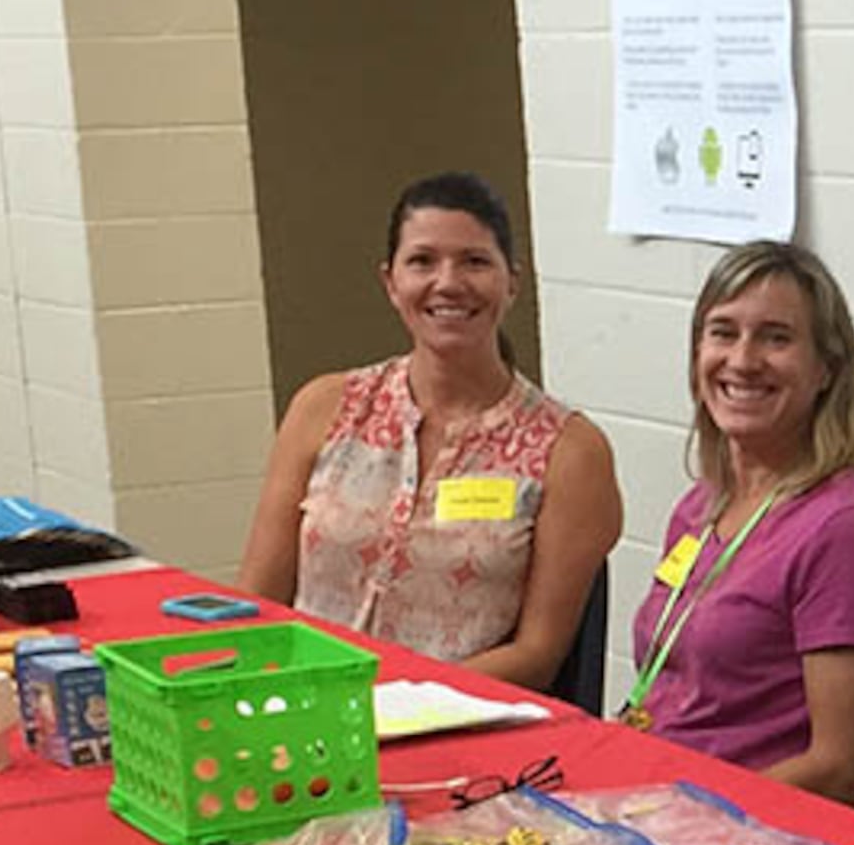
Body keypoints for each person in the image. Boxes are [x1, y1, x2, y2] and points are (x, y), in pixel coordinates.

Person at [238, 172, 623, 693]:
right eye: (422, 261)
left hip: (462, 727)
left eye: (474, 262)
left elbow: (537, 657)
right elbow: (259, 602)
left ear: (512, 282)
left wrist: (392, 699)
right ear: (390, 282)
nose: (448, 282)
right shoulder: (324, 408)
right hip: (304, 715)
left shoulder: (570, 452)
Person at [623, 241, 854, 801]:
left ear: (826, 369)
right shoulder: (701, 505)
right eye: (723, 332)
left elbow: (844, 769)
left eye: (776, 338)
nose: (742, 360)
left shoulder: (846, 532)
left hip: (747, 841)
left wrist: (679, 811)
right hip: (655, 803)